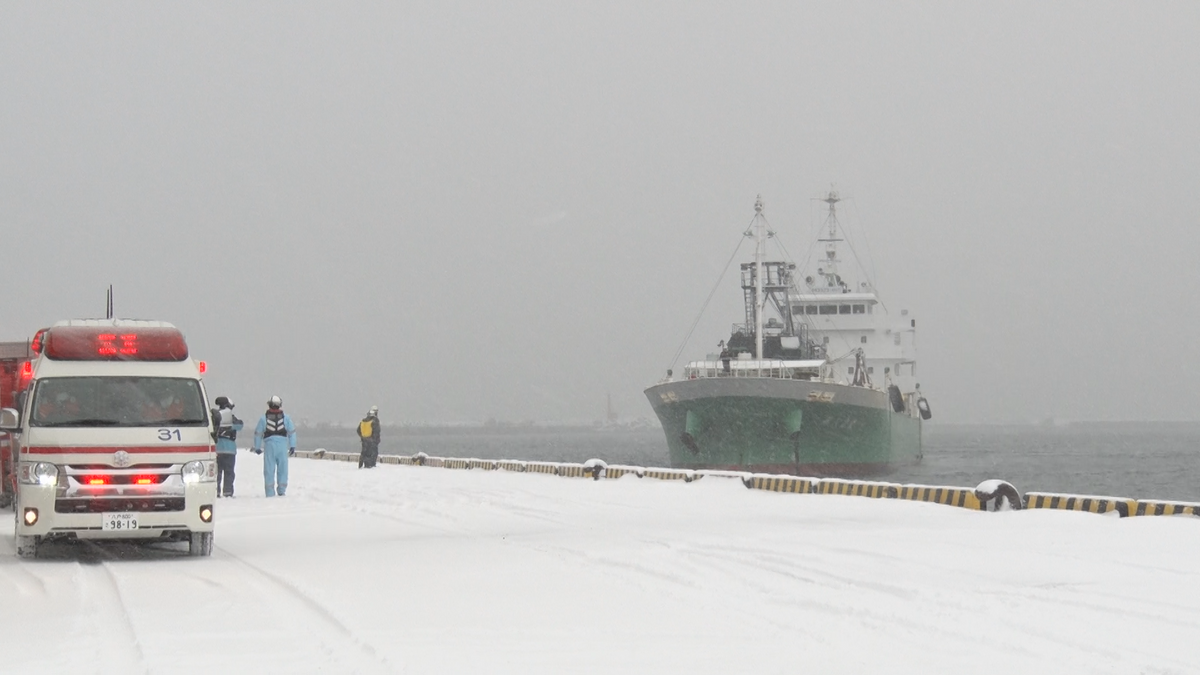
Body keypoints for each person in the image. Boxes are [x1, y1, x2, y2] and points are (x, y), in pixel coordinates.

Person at [253, 395, 296, 497]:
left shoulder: (263, 419)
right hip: (282, 445)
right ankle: (282, 490)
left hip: (269, 446)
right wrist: (292, 445)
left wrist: (257, 447)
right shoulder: (286, 418)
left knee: (269, 469)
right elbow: (292, 432)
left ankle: (269, 492)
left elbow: (258, 433)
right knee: (283, 468)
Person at [212, 396, 243, 498]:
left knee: (217, 472)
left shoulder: (214, 417)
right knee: (229, 472)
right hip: (230, 450)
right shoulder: (231, 418)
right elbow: (240, 426)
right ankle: (228, 492)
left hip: (217, 449)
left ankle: (216, 491)